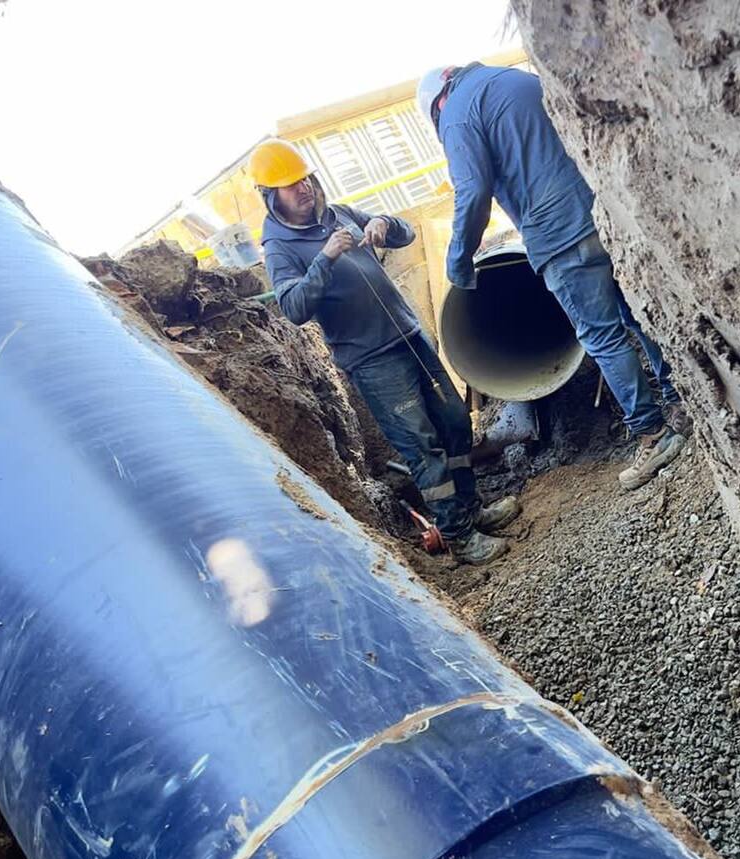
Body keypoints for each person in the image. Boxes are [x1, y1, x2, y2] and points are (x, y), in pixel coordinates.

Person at [417, 64, 689, 490]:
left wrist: (459, 262)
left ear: (436, 107)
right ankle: (679, 398)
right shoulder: (515, 79)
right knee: (635, 314)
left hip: (559, 237)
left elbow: (472, 191)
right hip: (603, 210)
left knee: (600, 337)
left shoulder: (456, 115)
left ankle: (653, 434)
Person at [249, 138, 517, 565]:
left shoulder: (338, 213)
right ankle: (460, 537)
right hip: (372, 361)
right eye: (289, 185)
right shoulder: (279, 248)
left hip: (409, 336)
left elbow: (406, 231)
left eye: (304, 179)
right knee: (421, 446)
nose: (302, 189)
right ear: (271, 196)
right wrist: (325, 258)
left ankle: (472, 509)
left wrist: (383, 224)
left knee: (453, 425)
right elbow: (294, 307)